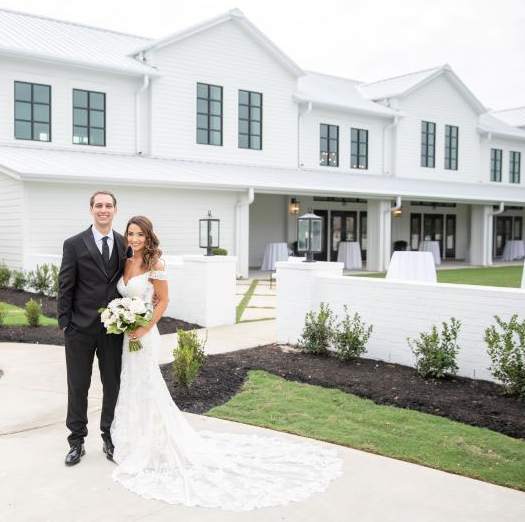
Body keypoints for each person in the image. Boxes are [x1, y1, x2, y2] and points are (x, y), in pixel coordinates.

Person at [110, 215, 343, 511]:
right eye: (130, 234)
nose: (134, 239)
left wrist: (143, 327)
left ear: (148, 236)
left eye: (139, 234)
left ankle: (152, 443)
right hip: (126, 334)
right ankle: (133, 437)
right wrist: (122, 319)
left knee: (147, 383)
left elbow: (163, 301)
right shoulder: (126, 261)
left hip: (144, 334)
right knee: (131, 384)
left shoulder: (156, 264)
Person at [57, 191, 127, 466]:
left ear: (115, 210)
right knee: (78, 386)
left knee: (112, 385)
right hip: (80, 329)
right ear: (91, 210)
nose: (103, 210)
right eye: (99, 205)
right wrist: (66, 324)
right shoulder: (74, 244)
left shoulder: (124, 244)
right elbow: (65, 285)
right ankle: (76, 441)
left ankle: (109, 437)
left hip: (113, 331)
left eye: (108, 206)